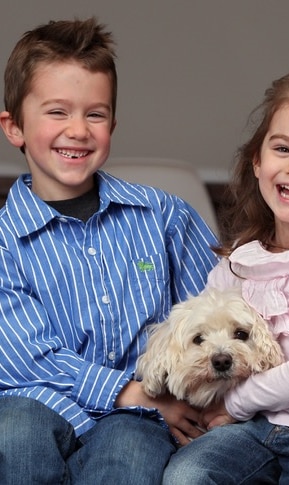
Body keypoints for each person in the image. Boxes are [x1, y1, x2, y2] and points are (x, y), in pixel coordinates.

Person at [0, 17, 219, 484]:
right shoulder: (4, 240)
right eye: (57, 112)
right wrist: (129, 391)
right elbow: (25, 359)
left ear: (112, 124)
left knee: (130, 449)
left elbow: (211, 312)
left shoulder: (163, 216)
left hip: (141, 418)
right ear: (14, 127)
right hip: (37, 405)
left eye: (94, 114)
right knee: (12, 431)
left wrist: (169, 396)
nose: (78, 130)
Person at [163, 72, 289, 484]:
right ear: (257, 161)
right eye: (282, 149)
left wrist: (236, 403)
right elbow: (196, 334)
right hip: (255, 427)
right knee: (188, 474)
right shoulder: (240, 259)